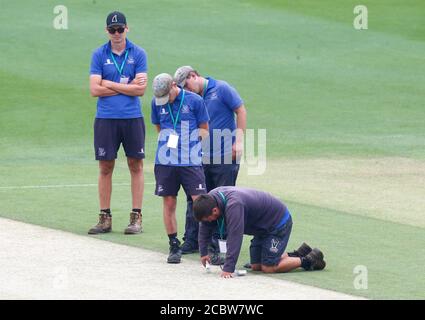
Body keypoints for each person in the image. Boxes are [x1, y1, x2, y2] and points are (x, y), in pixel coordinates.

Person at [173, 66, 247, 261]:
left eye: (187, 85)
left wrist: (238, 141)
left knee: (220, 201)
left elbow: (240, 110)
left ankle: (216, 244)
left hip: (224, 156)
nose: (186, 91)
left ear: (193, 76)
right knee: (196, 198)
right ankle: (192, 240)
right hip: (200, 156)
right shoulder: (191, 98)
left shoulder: (221, 89)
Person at [88, 11, 148, 235]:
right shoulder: (98, 54)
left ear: (127, 29)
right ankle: (105, 217)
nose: (116, 33)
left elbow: (140, 90)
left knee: (136, 165)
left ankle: (136, 217)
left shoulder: (138, 53)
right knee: (105, 167)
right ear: (106, 31)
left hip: (132, 117)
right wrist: (127, 86)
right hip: (106, 118)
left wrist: (109, 84)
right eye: (112, 30)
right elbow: (94, 90)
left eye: (120, 29)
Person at [193, 187, 326, 278]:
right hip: (262, 228)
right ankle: (297, 253)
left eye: (208, 218)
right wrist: (203, 253)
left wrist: (228, 268)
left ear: (215, 210)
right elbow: (204, 226)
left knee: (268, 267)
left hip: (278, 224)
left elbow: (235, 237)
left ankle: (309, 260)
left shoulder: (234, 205)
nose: (208, 222)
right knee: (256, 266)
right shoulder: (210, 200)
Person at [151, 73, 210, 264]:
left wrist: (191, 144)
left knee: (201, 204)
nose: (163, 101)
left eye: (166, 96)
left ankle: (207, 246)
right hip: (165, 161)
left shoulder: (195, 101)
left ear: (174, 86)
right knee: (169, 203)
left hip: (190, 162)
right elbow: (159, 128)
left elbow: (204, 128)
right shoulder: (156, 102)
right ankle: (174, 245)